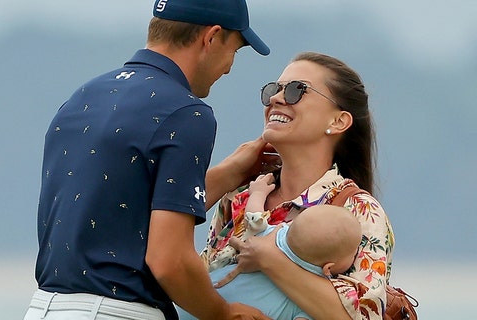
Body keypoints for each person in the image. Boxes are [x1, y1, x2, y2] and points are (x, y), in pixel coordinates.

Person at [23, 0, 272, 319]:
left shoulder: (83, 97)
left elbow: (132, 214)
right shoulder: (186, 113)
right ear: (211, 38)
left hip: (44, 307)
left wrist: (230, 172)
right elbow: (168, 260)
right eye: (234, 51)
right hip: (115, 311)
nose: (228, 67)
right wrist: (224, 313)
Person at [201, 52, 395, 319]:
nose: (275, 99)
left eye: (296, 90)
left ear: (338, 121)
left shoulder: (358, 209)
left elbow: (363, 315)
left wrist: (270, 259)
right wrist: (227, 172)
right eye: (274, 89)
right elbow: (200, 280)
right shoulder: (239, 197)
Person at [177, 173, 362, 319]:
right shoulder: (308, 298)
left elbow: (254, 216)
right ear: (329, 267)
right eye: (354, 253)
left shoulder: (271, 235)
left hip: (187, 302)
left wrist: (257, 192)